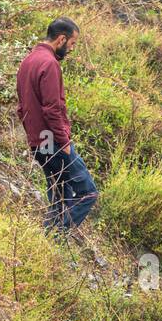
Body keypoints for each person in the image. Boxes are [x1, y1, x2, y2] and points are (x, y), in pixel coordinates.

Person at [15, 18, 98, 234]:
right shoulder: (49, 64)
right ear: (61, 38)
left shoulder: (28, 60)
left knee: (59, 195)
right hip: (54, 143)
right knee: (88, 193)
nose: (71, 49)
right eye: (72, 43)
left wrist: (34, 138)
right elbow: (52, 109)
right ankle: (58, 238)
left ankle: (49, 241)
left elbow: (21, 108)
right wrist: (65, 142)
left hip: (38, 141)